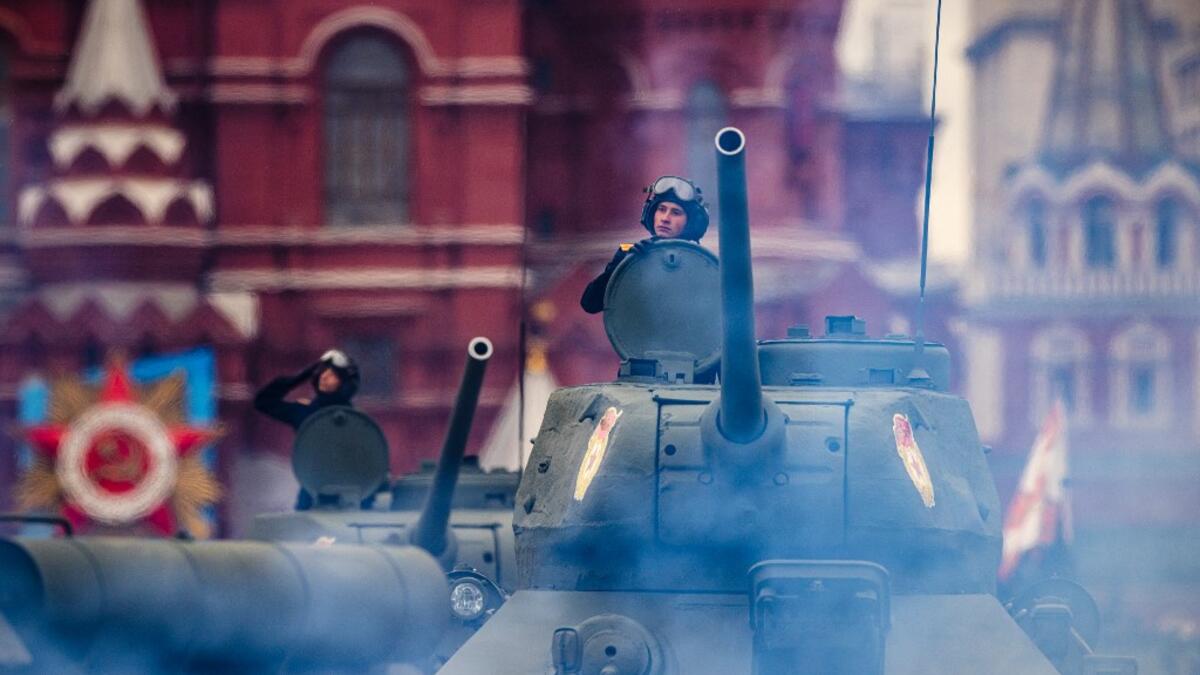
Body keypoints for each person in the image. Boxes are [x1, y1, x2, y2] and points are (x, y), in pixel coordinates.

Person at [254, 349, 372, 510]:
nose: (324, 376)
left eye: (332, 374)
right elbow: (263, 402)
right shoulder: (305, 412)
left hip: (352, 496)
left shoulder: (355, 419)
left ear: (343, 382)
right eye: (322, 372)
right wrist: (300, 377)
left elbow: (371, 460)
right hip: (311, 495)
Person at [580, 175, 710, 314]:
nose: (665, 218)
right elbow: (590, 303)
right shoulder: (629, 251)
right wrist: (623, 266)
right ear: (651, 213)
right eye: (661, 209)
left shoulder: (702, 263)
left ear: (691, 223)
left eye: (676, 212)